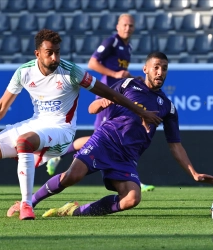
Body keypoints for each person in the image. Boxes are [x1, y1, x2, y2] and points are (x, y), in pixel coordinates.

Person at [0, 29, 162, 220]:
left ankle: (27, 204)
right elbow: (0, 107)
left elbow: (109, 93)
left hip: (62, 128)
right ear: (37, 54)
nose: (55, 58)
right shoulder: (24, 72)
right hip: (37, 122)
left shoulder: (71, 72)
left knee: (24, 142)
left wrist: (140, 111)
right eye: (50, 53)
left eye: (57, 52)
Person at [7, 52, 213, 219]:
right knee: (72, 176)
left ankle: (74, 211)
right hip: (105, 141)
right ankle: (29, 203)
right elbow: (92, 107)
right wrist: (103, 102)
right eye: (156, 67)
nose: (160, 72)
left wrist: (193, 173)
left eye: (164, 69)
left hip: (127, 158)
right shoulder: (128, 85)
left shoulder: (168, 108)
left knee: (132, 199)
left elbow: (175, 145)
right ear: (145, 69)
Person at [46, 13, 155, 192]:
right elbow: (93, 63)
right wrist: (115, 74)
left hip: (118, 97)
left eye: (131, 26)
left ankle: (130, 177)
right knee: (100, 139)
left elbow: (120, 71)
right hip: (107, 99)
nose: (128, 28)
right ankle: (58, 155)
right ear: (118, 27)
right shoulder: (111, 42)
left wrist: (128, 76)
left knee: (109, 138)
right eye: (125, 25)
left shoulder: (128, 47)